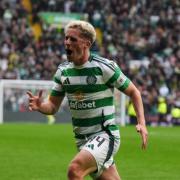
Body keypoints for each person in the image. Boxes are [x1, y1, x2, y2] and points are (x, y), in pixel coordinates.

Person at [27, 20, 148, 180]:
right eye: (66, 38)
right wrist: (40, 105)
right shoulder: (63, 71)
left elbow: (134, 92)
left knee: (74, 169)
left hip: (105, 135)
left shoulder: (104, 67)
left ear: (86, 44)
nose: (67, 43)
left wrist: (141, 123)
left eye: (73, 39)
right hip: (82, 140)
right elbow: (53, 106)